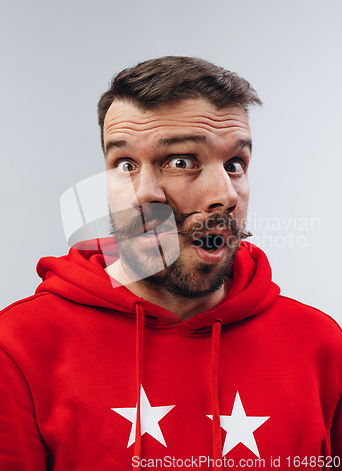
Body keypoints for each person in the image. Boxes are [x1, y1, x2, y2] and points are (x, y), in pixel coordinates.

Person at [0, 56, 341, 470]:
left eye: (235, 164)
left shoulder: (322, 347)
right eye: (183, 161)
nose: (226, 195)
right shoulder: (17, 349)